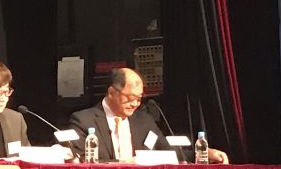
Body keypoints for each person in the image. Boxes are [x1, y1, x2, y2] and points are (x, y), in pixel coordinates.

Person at [68, 67, 229, 163]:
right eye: (130, 98)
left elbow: (167, 151)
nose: (135, 103)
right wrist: (125, 164)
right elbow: (80, 160)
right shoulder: (83, 120)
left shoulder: (144, 121)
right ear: (111, 92)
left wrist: (202, 154)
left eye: (139, 98)